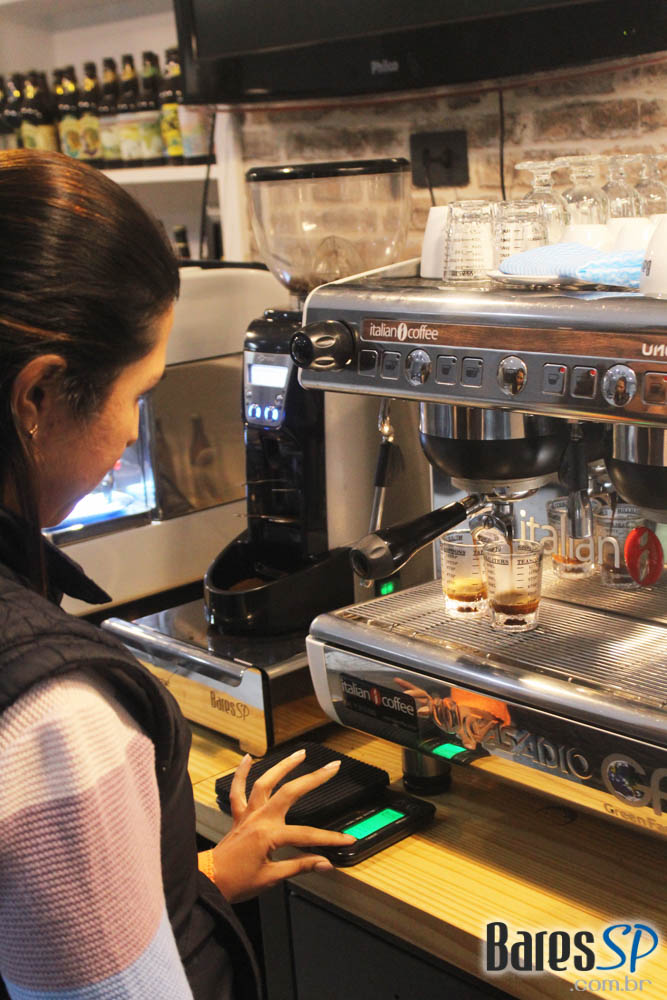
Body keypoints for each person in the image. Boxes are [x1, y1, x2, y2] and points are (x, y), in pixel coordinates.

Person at [0, 149, 353, 1000]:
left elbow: (48, 936)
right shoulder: (55, 722)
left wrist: (200, 880)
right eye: (137, 394)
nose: (133, 433)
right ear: (38, 398)